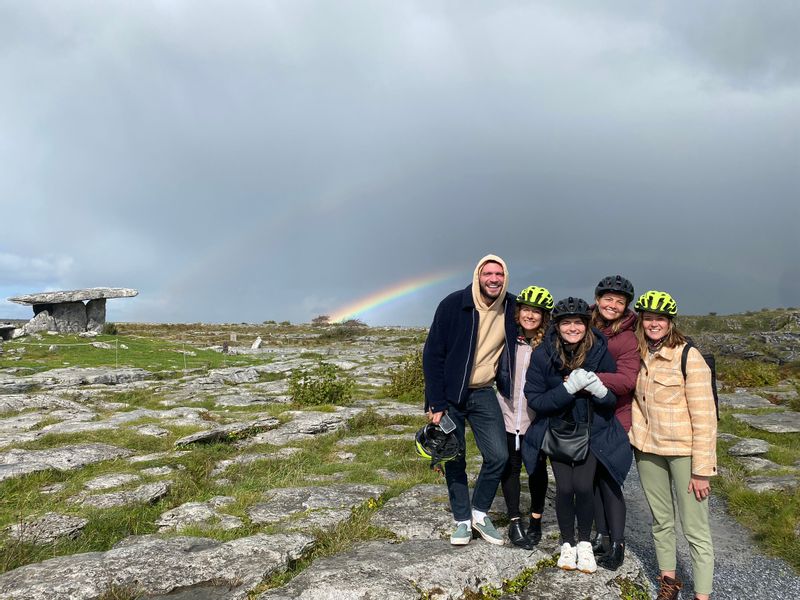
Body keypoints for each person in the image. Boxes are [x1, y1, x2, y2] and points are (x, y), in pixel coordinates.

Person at [522, 297, 632, 574]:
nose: (572, 328)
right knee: (565, 489)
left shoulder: (599, 351)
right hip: (557, 432)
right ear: (557, 326)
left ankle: (584, 542)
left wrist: (600, 389)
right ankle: (567, 543)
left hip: (591, 432)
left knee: (583, 487)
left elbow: (610, 402)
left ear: (586, 324)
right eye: (566, 323)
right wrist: (567, 390)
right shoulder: (542, 355)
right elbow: (536, 399)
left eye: (578, 322)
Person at [422, 254, 517, 546]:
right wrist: (435, 403)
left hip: (484, 392)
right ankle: (462, 520)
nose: (493, 279)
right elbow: (433, 354)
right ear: (478, 275)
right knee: (454, 456)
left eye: (499, 274)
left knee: (499, 456)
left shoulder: (512, 307)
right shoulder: (454, 304)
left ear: (505, 278)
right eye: (488, 273)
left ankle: (479, 511)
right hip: (451, 397)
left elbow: (540, 327)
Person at [630, 291, 717, 600]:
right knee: (661, 521)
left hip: (684, 453)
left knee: (695, 528)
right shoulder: (638, 352)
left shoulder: (687, 355)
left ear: (670, 322)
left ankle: (702, 595)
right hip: (648, 450)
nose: (654, 323)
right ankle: (669, 585)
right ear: (641, 320)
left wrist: (702, 470)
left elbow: (706, 415)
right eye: (649, 318)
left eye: (660, 319)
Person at [496, 285, 553, 548]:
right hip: (507, 414)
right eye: (526, 310)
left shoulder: (549, 346)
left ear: (544, 316)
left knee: (537, 470)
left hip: (535, 419)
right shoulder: (507, 340)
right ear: (518, 312)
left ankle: (536, 520)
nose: (530, 316)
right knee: (509, 468)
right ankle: (514, 521)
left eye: (536, 312)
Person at [589, 275, 639, 570]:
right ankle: (601, 535)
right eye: (608, 299)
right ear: (598, 300)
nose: (612, 305)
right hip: (590, 418)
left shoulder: (627, 338)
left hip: (617, 419)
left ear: (625, 307)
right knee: (592, 478)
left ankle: (617, 544)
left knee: (610, 481)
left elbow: (627, 380)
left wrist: (592, 379)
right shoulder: (587, 327)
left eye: (619, 302)